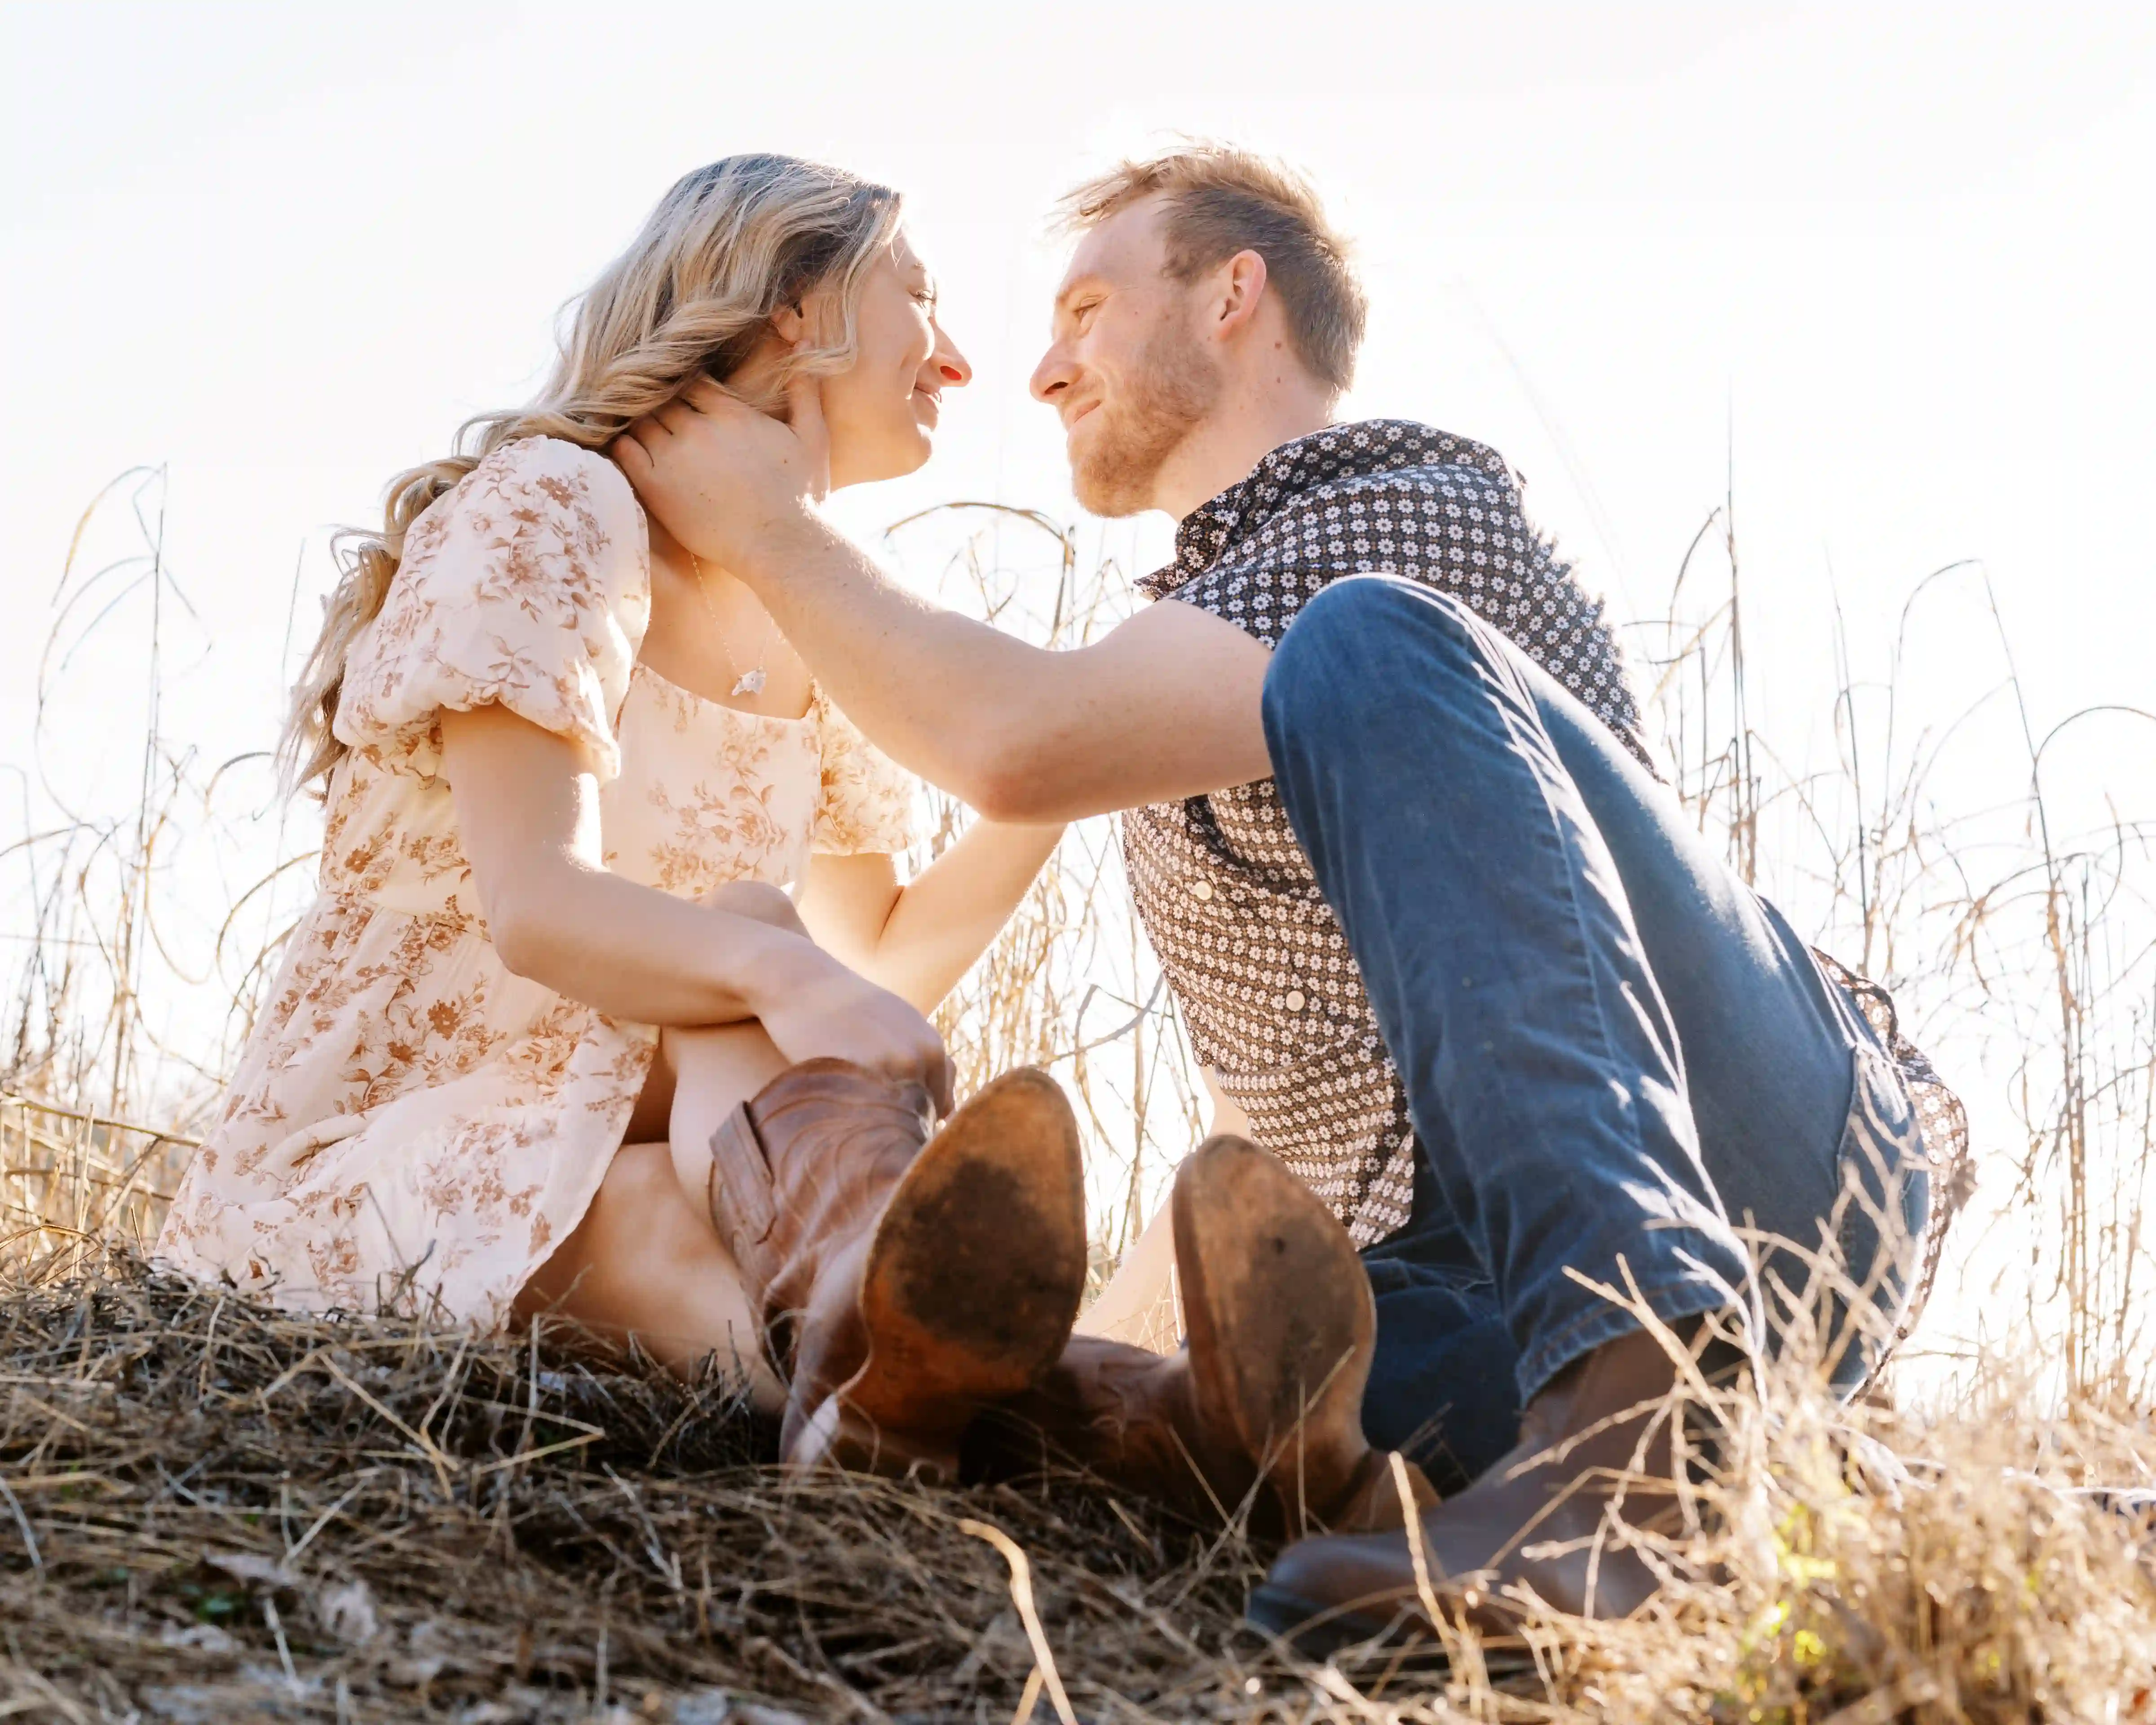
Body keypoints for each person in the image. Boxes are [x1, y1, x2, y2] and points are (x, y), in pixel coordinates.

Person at [611, 143, 1967, 1636]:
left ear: (1232, 296)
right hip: (1473, 1278)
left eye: (1086, 309)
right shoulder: (1188, 659)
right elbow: (1277, 1145)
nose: (1044, 371)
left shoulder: (1409, 505)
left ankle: (1635, 1427)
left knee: (1365, 639)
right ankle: (1854, 1500)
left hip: (1753, 1154)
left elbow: (1016, 743)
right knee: (1221, 1425)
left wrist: (764, 529)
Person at [155, 154, 1421, 1518]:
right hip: (389, 1155)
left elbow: (879, 959)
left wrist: (1083, 747)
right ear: (793, 307)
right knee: (747, 946)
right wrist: (779, 973)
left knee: (723, 1239)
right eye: (920, 302)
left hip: (664, 1160)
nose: (958, 360)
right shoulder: (559, 505)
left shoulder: (801, 616)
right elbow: (538, 903)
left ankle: (986, 1382)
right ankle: (1160, 1425)